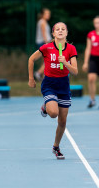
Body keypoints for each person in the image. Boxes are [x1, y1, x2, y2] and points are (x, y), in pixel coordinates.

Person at [28, 22, 78, 159]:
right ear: (53, 33)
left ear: (66, 33)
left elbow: (75, 71)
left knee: (62, 121)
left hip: (63, 86)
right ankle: (46, 107)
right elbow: (31, 59)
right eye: (57, 29)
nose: (60, 31)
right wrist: (31, 79)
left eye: (63, 29)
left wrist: (66, 62)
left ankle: (56, 147)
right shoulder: (47, 47)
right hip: (49, 84)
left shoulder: (71, 49)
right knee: (53, 113)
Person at [34, 8, 52, 81]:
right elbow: (44, 34)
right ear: (42, 14)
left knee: (46, 60)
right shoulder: (42, 22)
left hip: (43, 43)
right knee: (49, 60)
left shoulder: (43, 22)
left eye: (49, 14)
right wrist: (47, 44)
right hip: (43, 43)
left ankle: (45, 76)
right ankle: (38, 73)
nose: (48, 15)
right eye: (47, 13)